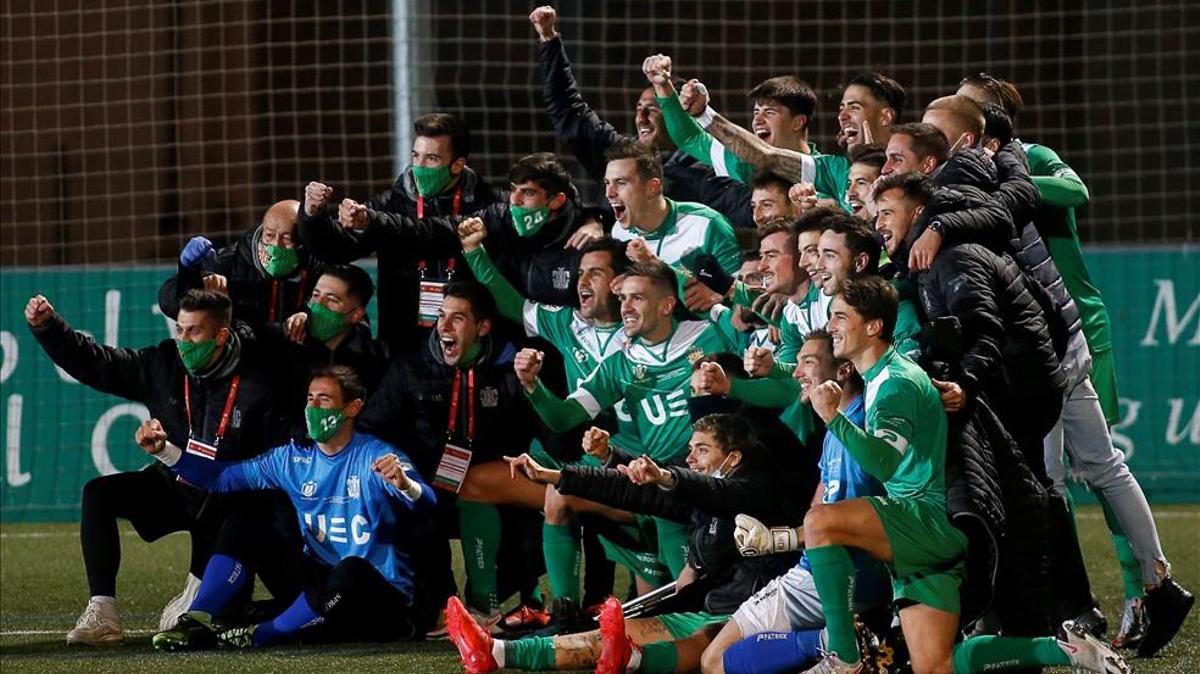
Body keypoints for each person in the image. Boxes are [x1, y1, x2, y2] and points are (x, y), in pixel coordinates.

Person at [957, 77, 1196, 655]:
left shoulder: (1026, 157)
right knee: (1073, 472)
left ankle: (1134, 593)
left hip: (1070, 329)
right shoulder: (965, 171)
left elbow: (1076, 192)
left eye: (965, 99)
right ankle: (1120, 593)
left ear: (988, 116)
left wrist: (1004, 183)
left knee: (1084, 470)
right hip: (1035, 336)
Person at [797, 277, 1128, 674]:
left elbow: (883, 463)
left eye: (839, 316)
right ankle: (1067, 650)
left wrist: (833, 417)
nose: (831, 325)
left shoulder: (894, 383)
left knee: (821, 522)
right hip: (929, 533)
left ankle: (843, 658)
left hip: (921, 523)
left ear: (873, 327)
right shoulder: (888, 374)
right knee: (937, 665)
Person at [26, 289, 295, 645]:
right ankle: (101, 613)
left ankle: (199, 593)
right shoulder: (164, 364)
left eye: (194, 332)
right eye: (180, 330)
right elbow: (99, 364)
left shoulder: (259, 380)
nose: (183, 341)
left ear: (221, 335)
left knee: (213, 604)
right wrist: (49, 328)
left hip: (231, 500)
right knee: (99, 493)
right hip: (174, 482)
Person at [446, 412, 808, 674]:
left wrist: (667, 477)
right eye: (690, 449)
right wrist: (554, 476)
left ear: (732, 458)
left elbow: (713, 492)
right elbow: (627, 489)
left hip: (747, 618)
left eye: (701, 450)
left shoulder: (757, 490)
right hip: (711, 609)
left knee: (693, 646)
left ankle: (632, 661)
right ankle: (496, 652)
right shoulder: (705, 492)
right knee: (609, 638)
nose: (689, 458)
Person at [145, 365, 435, 650]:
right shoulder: (291, 459)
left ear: (353, 408)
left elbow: (427, 504)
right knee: (243, 526)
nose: (313, 407)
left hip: (374, 597)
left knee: (349, 570)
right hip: (319, 586)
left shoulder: (376, 456)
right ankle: (197, 619)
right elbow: (222, 478)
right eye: (310, 398)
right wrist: (165, 451)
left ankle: (263, 634)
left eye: (325, 399)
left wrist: (404, 485)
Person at [513, 261, 747, 582]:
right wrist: (532, 386)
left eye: (637, 298)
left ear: (667, 305)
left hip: (725, 479)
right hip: (666, 487)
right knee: (675, 591)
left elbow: (755, 332)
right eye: (623, 298)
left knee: (702, 588)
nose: (625, 307)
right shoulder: (620, 363)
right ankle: (571, 614)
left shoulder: (710, 334)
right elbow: (563, 417)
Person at [699, 330, 891, 674]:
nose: (798, 373)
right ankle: (830, 642)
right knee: (714, 660)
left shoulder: (860, 428)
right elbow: (818, 513)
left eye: (808, 363)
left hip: (840, 577)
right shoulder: (835, 428)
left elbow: (839, 524)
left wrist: (774, 540)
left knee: (715, 662)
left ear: (844, 371)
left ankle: (833, 643)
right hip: (821, 569)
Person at [354, 281, 541, 628]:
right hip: (426, 490)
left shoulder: (509, 370)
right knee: (426, 607)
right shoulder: (410, 368)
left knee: (535, 527)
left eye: (457, 318)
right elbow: (369, 427)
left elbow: (539, 431)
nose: (444, 326)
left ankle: (499, 603)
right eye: (442, 316)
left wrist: (534, 386)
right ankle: (440, 605)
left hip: (491, 488)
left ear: (483, 327)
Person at [528, 5, 753, 228]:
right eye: (638, 108)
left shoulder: (705, 172)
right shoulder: (622, 155)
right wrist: (549, 40)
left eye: (653, 109)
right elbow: (568, 111)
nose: (641, 118)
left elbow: (751, 208)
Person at [299, 113, 500, 351]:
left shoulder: (486, 208)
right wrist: (313, 215)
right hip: (403, 343)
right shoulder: (390, 203)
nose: (419, 167)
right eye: (416, 156)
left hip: (470, 343)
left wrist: (372, 223)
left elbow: (427, 234)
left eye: (432, 159)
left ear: (457, 165)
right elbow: (336, 248)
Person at [158, 200, 321, 327]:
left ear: (303, 241)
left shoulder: (316, 265)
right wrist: (189, 272)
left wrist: (310, 316)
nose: (276, 245)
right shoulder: (231, 262)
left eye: (286, 238)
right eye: (269, 236)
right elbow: (171, 303)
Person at [605, 142, 742, 280]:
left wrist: (653, 264)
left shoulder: (708, 225)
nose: (609, 193)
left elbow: (735, 294)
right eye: (607, 183)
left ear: (653, 188)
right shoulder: (618, 232)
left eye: (621, 183)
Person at [279, 263, 390, 395]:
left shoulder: (377, 362)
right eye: (316, 295)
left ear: (356, 315)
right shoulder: (289, 347)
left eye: (332, 300)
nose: (319, 306)